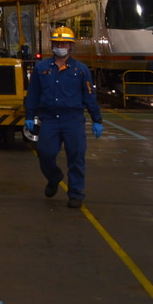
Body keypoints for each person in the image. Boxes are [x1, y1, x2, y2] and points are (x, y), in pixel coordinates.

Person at [24, 26, 103, 208]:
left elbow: (89, 96)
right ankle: (54, 177)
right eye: (58, 43)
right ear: (52, 45)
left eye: (65, 43)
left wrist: (96, 119)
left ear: (71, 46)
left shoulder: (81, 70)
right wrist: (30, 115)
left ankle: (75, 193)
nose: (61, 46)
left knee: (76, 157)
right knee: (45, 153)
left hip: (72, 120)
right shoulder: (41, 68)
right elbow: (33, 94)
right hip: (50, 119)